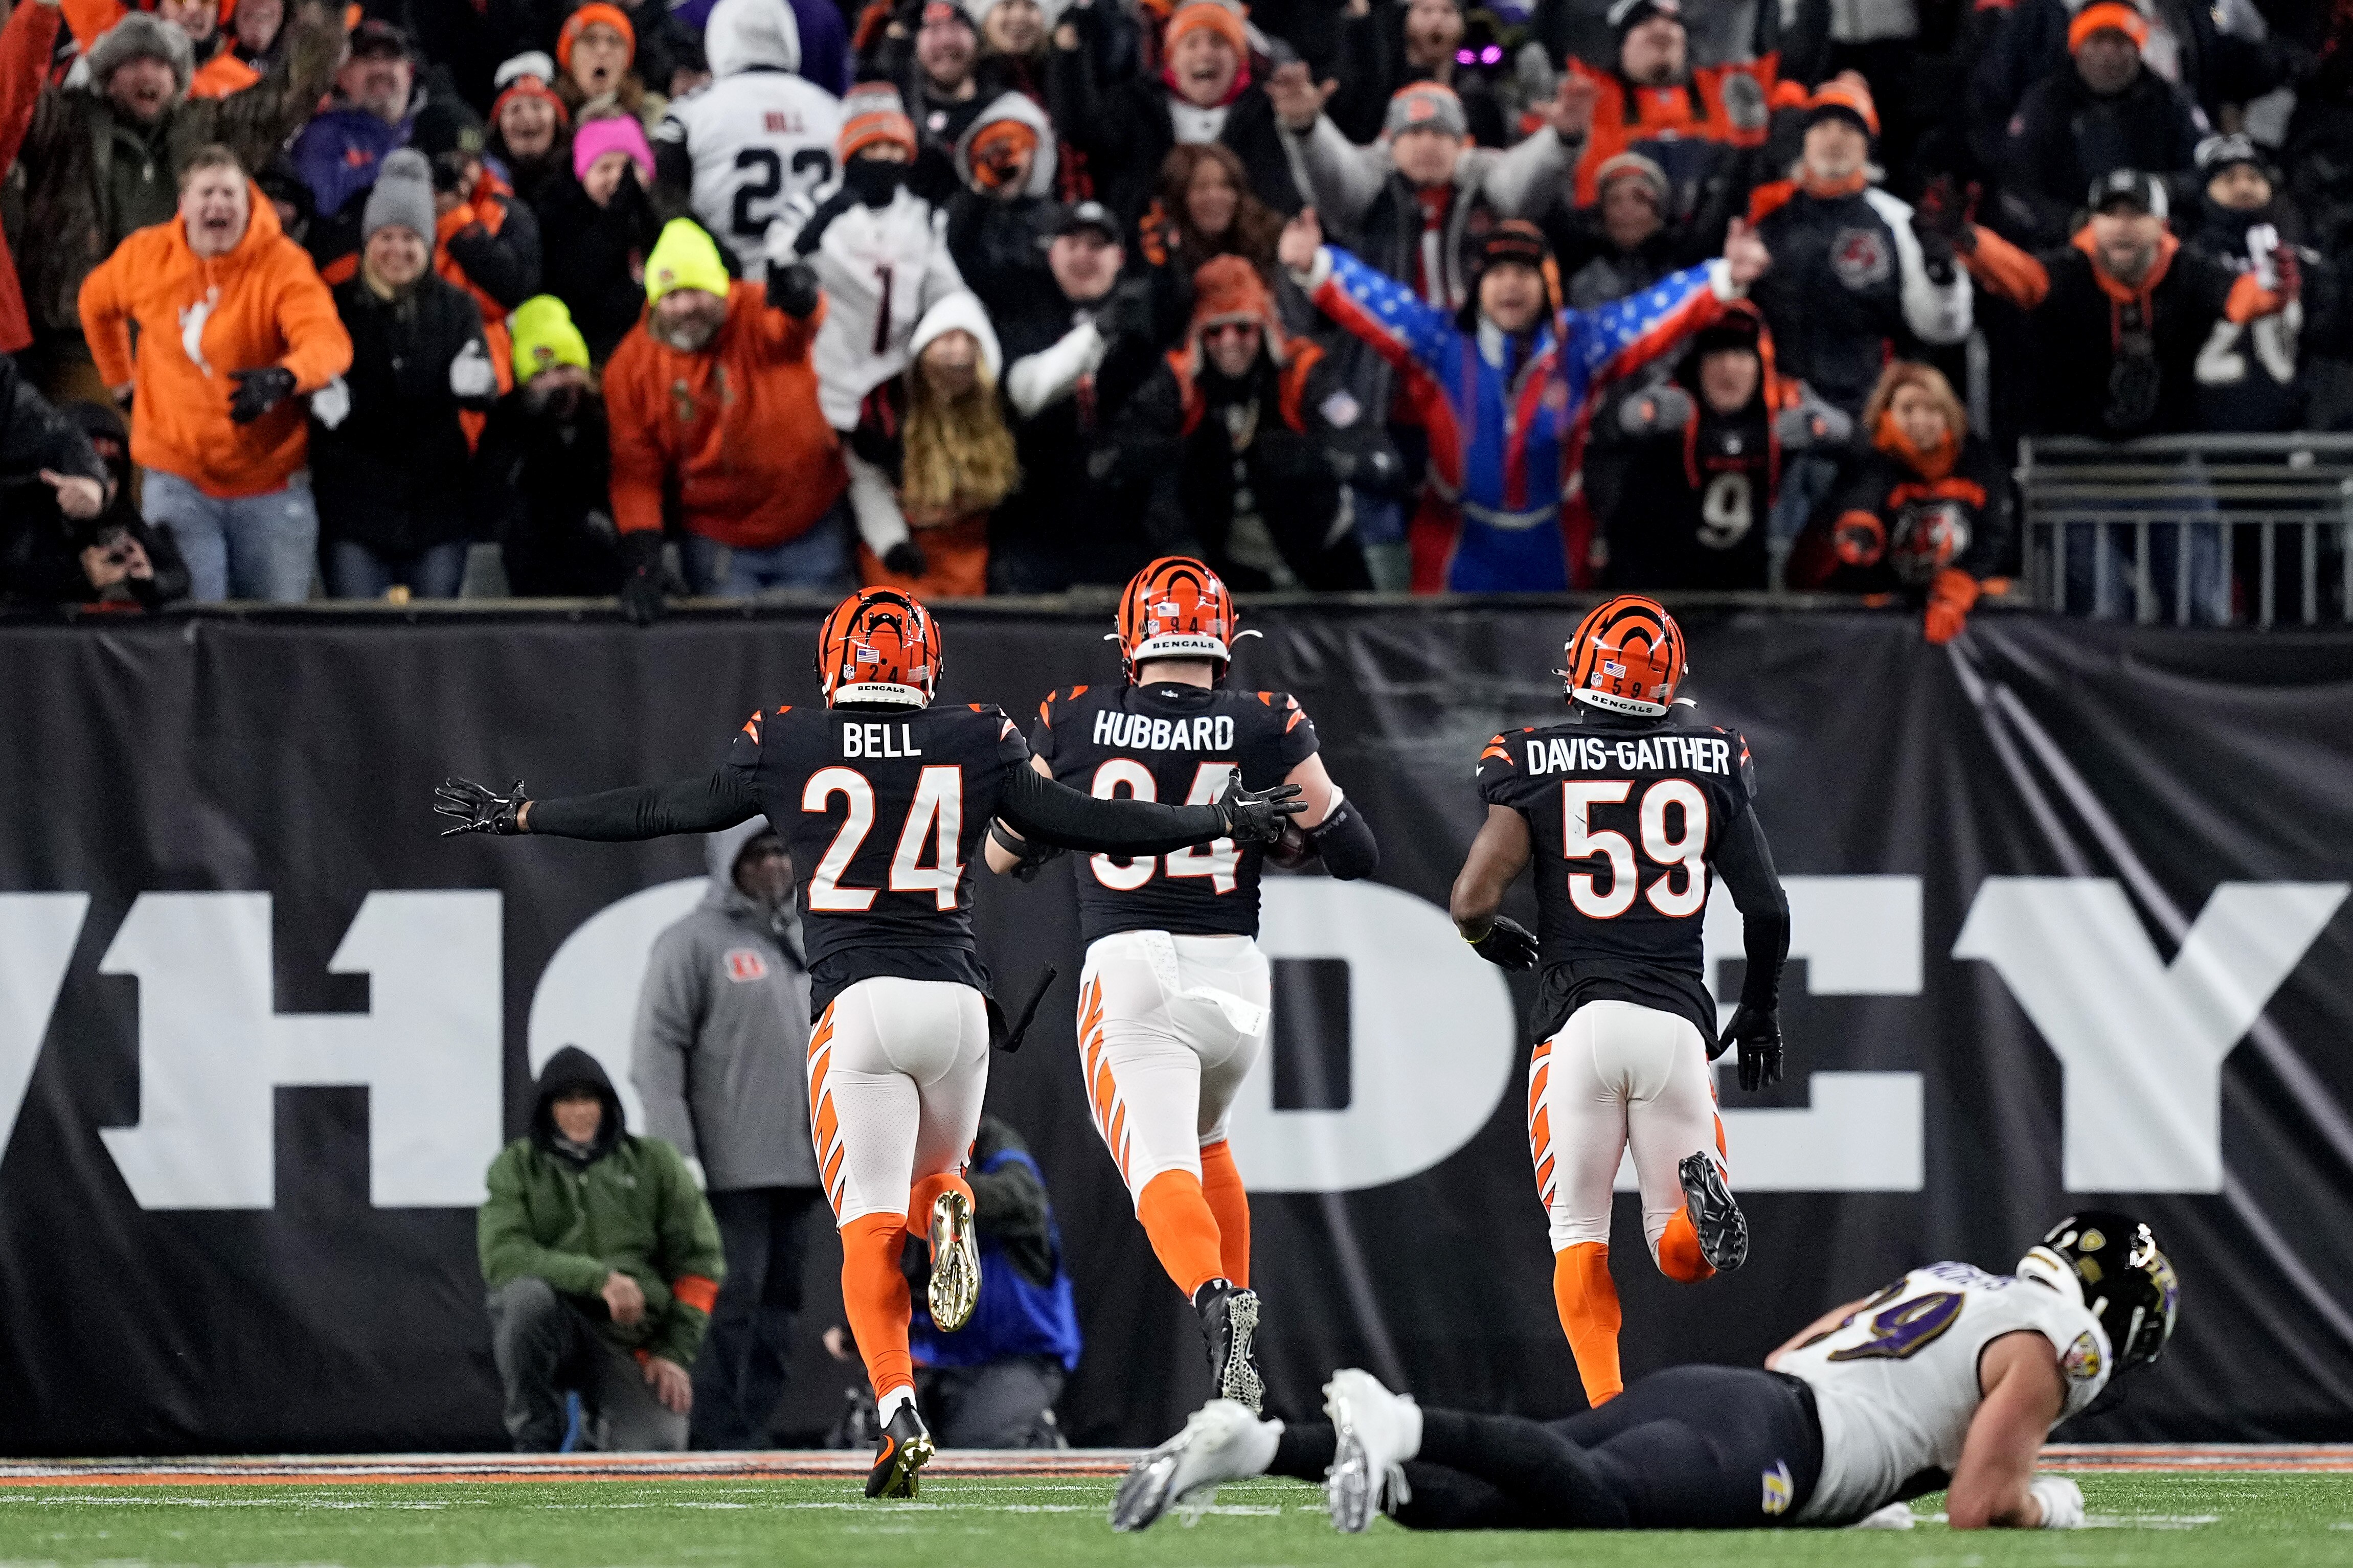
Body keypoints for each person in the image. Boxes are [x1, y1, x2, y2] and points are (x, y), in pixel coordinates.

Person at [435, 585, 1307, 1495]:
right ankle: (950, 1198)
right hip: (957, 1005)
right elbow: (1092, 820)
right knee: (939, 1172)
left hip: (858, 1005)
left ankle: (898, 1414)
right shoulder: (979, 735)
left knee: (867, 1226)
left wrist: (530, 815)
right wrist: (1213, 819)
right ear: (926, 663)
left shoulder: (788, 739)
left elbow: (666, 807)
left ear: (833, 663)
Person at [1113, 1211, 2178, 1535]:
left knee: (1461, 1513)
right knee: (1606, 1505)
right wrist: (2055, 1504)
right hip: (1780, 1445)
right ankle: (1401, 1420)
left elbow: (1798, 1351)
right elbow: (1982, 1504)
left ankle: (1261, 1442)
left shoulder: (1964, 1281)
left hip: (1741, 1398)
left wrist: (1876, 1486)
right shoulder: (2046, 1343)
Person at [987, 555, 1379, 1411]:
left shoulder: (1077, 715)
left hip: (1135, 968)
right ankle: (1236, 1361)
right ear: (1222, 639)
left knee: (1159, 1165)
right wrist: (1292, 836)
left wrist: (1066, 827)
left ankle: (1214, 1298)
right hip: (1236, 978)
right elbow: (1355, 852)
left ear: (1130, 640)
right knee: (1210, 1143)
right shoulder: (1265, 718)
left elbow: (1003, 852)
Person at [1446, 596, 1790, 1410]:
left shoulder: (1532, 756)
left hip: (1577, 1024)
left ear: (1580, 672)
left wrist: (1483, 936)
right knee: (1677, 1254)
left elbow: (1469, 899)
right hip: (1675, 1020)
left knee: (1578, 1236)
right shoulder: (1712, 757)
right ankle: (1693, 1212)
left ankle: (1610, 1411)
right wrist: (1763, 1004)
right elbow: (1767, 908)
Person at [1278, 208, 1771, 593]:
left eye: (1525, 273)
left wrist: (1725, 278)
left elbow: (1654, 316)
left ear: (1548, 285)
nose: (1511, 284)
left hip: (1555, 543)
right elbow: (1375, 302)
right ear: (1479, 287)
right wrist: (1316, 267)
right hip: (1454, 543)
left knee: (1557, 693)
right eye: (1498, 273)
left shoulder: (1582, 346)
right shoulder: (1440, 343)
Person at [16, 1, 338, 403]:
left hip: (183, 350)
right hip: (78, 355)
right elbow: (13, 88)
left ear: (180, 79)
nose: (148, 75)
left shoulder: (206, 129)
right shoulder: (63, 126)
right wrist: (37, 14)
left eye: (162, 65)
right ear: (107, 77)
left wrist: (327, 15)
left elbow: (288, 96)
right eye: (132, 63)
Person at [78, 145, 351, 603]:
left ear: (249, 205)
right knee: (191, 626)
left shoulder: (282, 263)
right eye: (207, 193)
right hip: (178, 477)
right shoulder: (147, 256)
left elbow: (329, 341)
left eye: (230, 193)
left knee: (271, 636)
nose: (218, 204)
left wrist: (287, 376)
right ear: (183, 206)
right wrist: (121, 380)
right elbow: (94, 303)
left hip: (270, 482)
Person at [632, 821, 822, 1450]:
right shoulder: (691, 943)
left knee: (779, 1312)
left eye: (781, 852)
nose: (773, 865)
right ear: (727, 862)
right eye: (758, 853)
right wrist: (678, 1152)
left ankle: (752, 1428)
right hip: (728, 1172)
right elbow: (655, 1055)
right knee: (729, 1307)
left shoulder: (800, 944)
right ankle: (715, 1436)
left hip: (802, 1167)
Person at [1746, 75, 1971, 550]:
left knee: (1846, 552)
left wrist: (1942, 272)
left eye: (1849, 129)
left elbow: (1944, 328)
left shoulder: (1895, 220)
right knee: (1766, 552)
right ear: (1803, 140)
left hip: (1864, 419)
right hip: (1774, 412)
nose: (1834, 139)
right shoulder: (1765, 215)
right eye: (1822, 126)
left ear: (1867, 145)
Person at [479, 1047, 726, 1453]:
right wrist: (599, 1279)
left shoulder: (656, 1163)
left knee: (658, 1450)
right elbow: (503, 1256)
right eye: (566, 1100)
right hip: (552, 1324)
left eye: (588, 1098)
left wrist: (673, 1352)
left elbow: (701, 1264)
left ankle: (597, 1430)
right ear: (547, 1107)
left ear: (608, 1104)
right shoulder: (515, 1166)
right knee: (523, 1300)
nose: (579, 1111)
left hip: (628, 1341)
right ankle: (535, 1440)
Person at [603, 218, 850, 615]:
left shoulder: (756, 308)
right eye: (672, 294)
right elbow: (636, 475)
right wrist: (644, 564)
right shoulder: (630, 369)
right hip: (719, 543)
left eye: (697, 291)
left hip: (811, 525)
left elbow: (800, 325)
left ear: (721, 287)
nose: (686, 307)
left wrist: (804, 299)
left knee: (822, 660)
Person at [1104, 258, 1385, 588]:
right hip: (1231, 562)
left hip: (1320, 547)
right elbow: (1113, 453)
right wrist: (1178, 455)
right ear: (1198, 336)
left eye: (1242, 327)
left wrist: (1317, 457)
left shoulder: (1302, 372)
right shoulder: (1181, 380)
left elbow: (1379, 459)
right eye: (1214, 330)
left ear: (1264, 327)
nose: (1228, 342)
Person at [312, 150, 500, 601]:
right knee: (360, 640)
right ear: (368, 240)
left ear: (429, 244)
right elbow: (314, 372)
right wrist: (321, 399)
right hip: (356, 510)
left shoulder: (456, 307)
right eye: (386, 237)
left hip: (437, 510)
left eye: (410, 238)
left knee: (435, 640)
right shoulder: (336, 305)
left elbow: (481, 389)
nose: (397, 250)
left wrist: (479, 385)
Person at [1266, 73, 1592, 312]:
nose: (1428, 144)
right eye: (1416, 132)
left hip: (1473, 353)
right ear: (1390, 145)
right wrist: (1305, 130)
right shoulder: (1369, 194)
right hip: (1386, 362)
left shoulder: (1486, 187)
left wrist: (1562, 141)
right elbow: (1333, 176)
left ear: (1462, 144)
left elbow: (1524, 180)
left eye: (1440, 133)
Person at [1603, 306, 1847, 591]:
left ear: (1761, 365)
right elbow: (1600, 440)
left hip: (1745, 586)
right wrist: (1625, 418)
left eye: (1742, 355)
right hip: (1659, 586)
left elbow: (1861, 449)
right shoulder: (1670, 410)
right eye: (1717, 354)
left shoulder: (1782, 415)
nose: (1729, 366)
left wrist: (1834, 427)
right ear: (1697, 364)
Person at [988, 199, 1165, 592]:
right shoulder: (1023, 318)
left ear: (1119, 258)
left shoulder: (1146, 321)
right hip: (1039, 531)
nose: (1085, 256)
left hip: (1127, 532)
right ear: (1052, 254)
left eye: (1097, 246)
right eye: (1073, 244)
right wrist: (1100, 331)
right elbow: (1026, 391)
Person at [775, 85, 968, 437]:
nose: (885, 158)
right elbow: (777, 269)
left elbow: (948, 295)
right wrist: (817, 227)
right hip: (822, 376)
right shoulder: (809, 207)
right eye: (874, 147)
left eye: (895, 148)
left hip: (896, 386)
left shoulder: (922, 217)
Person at [1793, 361, 2012, 643]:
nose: (1920, 421)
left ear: (1949, 414)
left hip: (1969, 605)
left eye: (1931, 409)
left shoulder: (1981, 464)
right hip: (1887, 614)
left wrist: (1958, 588)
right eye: (1907, 410)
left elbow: (1996, 536)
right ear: (1887, 413)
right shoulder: (1871, 461)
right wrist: (1856, 531)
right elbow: (1859, 502)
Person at [904, 1114, 1083, 1447]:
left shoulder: (989, 1142)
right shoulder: (896, 1156)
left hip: (1019, 1355)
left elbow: (1024, 1200)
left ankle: (1039, 1436)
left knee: (982, 1445)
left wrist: (946, 1194)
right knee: (883, 1443)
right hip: (934, 1357)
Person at [1050, 0, 1303, 228]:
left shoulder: (1271, 111)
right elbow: (1079, 126)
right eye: (1191, 44)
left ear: (1240, 58)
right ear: (1172, 59)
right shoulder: (1137, 105)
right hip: (1153, 265)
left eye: (1218, 42)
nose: (1205, 53)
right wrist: (1069, 50)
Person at [651, 0, 843, 277]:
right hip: (814, 291)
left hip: (726, 287)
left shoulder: (692, 112)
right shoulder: (833, 112)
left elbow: (662, 195)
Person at [847, 292, 1017, 597]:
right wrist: (891, 542)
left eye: (968, 340)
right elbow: (866, 481)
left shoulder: (1002, 413)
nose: (959, 350)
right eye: (947, 339)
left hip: (969, 551)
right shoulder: (887, 414)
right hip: (906, 553)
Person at [1995, 3, 2203, 248]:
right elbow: (2018, 187)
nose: (2108, 52)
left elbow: (2203, 173)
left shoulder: (2171, 101)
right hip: (2068, 249)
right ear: (2078, 49)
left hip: (2158, 243)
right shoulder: (2043, 104)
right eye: (2097, 40)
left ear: (2138, 48)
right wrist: (2070, 223)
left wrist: (2163, 190)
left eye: (2120, 41)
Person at [1557, 0, 1774, 233]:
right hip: (1608, 244)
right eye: (1645, 23)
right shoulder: (1590, 96)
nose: (1661, 29)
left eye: (1672, 22)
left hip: (1715, 244)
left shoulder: (1727, 87)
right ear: (1622, 45)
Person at [2181, 134, 2346, 436]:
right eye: (2229, 179)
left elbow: (2328, 349)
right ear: (2206, 190)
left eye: (2255, 177)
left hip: (2288, 438)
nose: (2244, 188)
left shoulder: (2305, 264)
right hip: (2196, 440)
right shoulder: (2183, 264)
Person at [475, 295, 622, 597]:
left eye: (565, 368)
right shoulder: (506, 424)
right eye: (541, 375)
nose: (555, 383)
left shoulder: (613, 417)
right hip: (535, 569)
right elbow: (494, 496)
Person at [288, 19, 429, 258]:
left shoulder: (435, 127)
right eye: (367, 59)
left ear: (409, 72)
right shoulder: (320, 136)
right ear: (342, 76)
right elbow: (324, 208)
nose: (381, 69)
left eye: (391, 58)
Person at [535, 111, 664, 363]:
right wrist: (618, 215)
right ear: (584, 175)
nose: (618, 177)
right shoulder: (559, 219)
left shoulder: (668, 210)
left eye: (629, 167)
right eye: (605, 167)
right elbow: (574, 288)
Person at [489, 52, 573, 206]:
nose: (527, 117)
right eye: (515, 109)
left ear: (557, 119)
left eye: (537, 106)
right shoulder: (484, 187)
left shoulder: (581, 182)